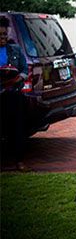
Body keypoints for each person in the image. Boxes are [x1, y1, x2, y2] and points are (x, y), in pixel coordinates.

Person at [0, 16, 29, 172]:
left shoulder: (15, 49)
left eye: (5, 34)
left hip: (13, 94)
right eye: (0, 35)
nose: (3, 38)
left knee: (16, 129)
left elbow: (25, 69)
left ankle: (19, 161)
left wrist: (19, 77)